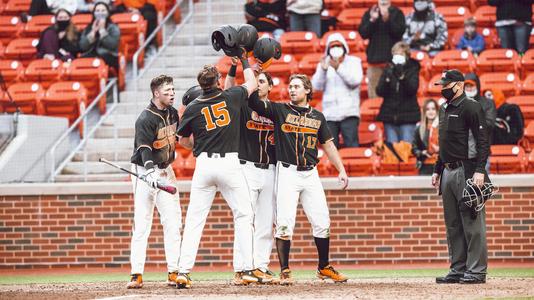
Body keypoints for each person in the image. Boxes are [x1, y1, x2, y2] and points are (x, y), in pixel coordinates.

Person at [248, 73, 349, 285]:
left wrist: (341, 169)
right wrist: (253, 73)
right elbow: (254, 102)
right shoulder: (280, 109)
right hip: (287, 172)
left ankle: (324, 267)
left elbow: (328, 144)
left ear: (307, 90)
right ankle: (285, 270)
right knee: (284, 222)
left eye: (297, 86)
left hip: (311, 173)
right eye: (290, 86)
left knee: (322, 221)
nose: (292, 89)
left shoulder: (318, 117)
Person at [175, 57, 262, 289]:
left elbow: (183, 140)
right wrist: (243, 59)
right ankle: (246, 268)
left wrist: (200, 147)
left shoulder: (192, 107)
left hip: (204, 165)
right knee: (244, 214)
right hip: (229, 164)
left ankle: (182, 271)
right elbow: (252, 84)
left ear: (200, 84)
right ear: (218, 81)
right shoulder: (231, 96)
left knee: (194, 220)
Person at [432, 69, 490, 285]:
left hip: (467, 170)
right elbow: (443, 142)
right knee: (453, 224)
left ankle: (476, 271)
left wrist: (480, 170)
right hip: (447, 170)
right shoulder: (444, 109)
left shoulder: (472, 107)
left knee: (472, 222)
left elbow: (483, 140)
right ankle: (458, 269)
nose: (443, 89)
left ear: (459, 85)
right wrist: (438, 169)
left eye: (446, 85)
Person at [225, 63, 278, 284]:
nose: (258, 83)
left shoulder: (275, 110)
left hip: (270, 170)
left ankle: (260, 266)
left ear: (271, 86)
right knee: (245, 218)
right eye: (257, 81)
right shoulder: (245, 105)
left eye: (263, 81)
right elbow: (227, 92)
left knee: (267, 222)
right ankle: (241, 268)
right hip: (247, 167)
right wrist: (234, 65)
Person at [127, 75, 182, 289]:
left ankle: (173, 271)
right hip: (144, 171)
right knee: (142, 223)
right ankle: (136, 274)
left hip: (165, 170)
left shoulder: (173, 113)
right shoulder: (145, 118)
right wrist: (149, 172)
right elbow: (144, 148)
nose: (172, 93)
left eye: (173, 89)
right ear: (156, 93)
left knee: (173, 223)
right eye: (167, 90)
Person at [311, 32, 363, 148]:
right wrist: (323, 70)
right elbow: (316, 86)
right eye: (333, 46)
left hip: (349, 113)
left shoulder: (354, 62)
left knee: (351, 147)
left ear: (344, 47)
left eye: (338, 46)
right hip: (330, 114)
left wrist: (338, 68)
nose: (335, 49)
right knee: (331, 150)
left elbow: (355, 81)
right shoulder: (324, 63)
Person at [358, 0, 406, 99]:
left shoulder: (397, 12)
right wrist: (372, 20)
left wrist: (388, 20)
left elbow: (399, 32)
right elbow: (363, 33)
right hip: (374, 63)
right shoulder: (370, 12)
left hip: (393, 63)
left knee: (394, 96)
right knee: (374, 97)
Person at [376, 41, 421, 143]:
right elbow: (379, 91)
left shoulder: (413, 68)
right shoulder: (388, 68)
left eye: (401, 54)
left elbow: (412, 89)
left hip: (408, 116)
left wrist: (402, 77)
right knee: (392, 152)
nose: (398, 57)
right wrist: (387, 79)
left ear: (407, 55)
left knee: (406, 149)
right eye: (396, 54)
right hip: (389, 116)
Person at [80, 1, 120, 70]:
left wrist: (102, 30)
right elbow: (83, 46)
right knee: (81, 61)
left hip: (109, 55)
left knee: (101, 59)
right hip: (91, 54)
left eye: (103, 10)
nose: (100, 13)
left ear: (107, 13)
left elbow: (112, 45)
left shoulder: (114, 27)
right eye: (97, 11)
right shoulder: (89, 27)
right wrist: (93, 32)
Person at [412, 99, 439, 175]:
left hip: (441, 166)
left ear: (437, 110)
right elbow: (414, 148)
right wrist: (422, 152)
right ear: (424, 112)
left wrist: (440, 150)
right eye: (428, 109)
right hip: (425, 165)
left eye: (433, 109)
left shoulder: (443, 128)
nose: (431, 111)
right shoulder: (419, 128)